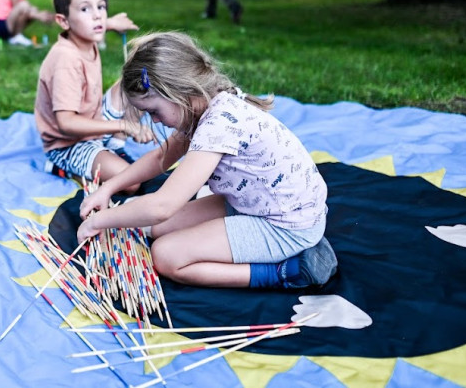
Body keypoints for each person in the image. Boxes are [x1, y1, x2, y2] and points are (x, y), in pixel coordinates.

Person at [77, 31, 336, 289]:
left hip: (284, 226)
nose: (154, 120)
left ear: (178, 91)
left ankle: (286, 271)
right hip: (257, 204)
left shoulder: (218, 125)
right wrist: (108, 188)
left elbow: (162, 205)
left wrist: (99, 221)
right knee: (157, 228)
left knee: (166, 255)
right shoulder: (205, 105)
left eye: (153, 111)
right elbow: (160, 157)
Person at [35, 0, 153, 187]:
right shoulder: (66, 60)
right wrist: (124, 125)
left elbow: (93, 22)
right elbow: (67, 123)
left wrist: (112, 23)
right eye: (85, 9)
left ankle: (114, 147)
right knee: (131, 183)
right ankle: (62, 168)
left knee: (140, 79)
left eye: (101, 6)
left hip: (94, 121)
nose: (97, 15)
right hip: (68, 145)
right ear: (63, 21)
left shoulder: (85, 34)